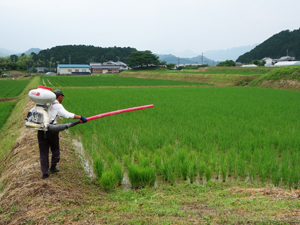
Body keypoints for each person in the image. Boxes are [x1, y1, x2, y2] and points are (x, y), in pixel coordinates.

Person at [36, 89, 87, 179]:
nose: (62, 98)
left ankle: (45, 173)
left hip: (41, 129)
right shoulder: (57, 105)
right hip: (52, 130)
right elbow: (67, 115)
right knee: (55, 148)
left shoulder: (42, 103)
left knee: (43, 151)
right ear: (59, 97)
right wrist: (81, 117)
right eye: (62, 97)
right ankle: (53, 167)